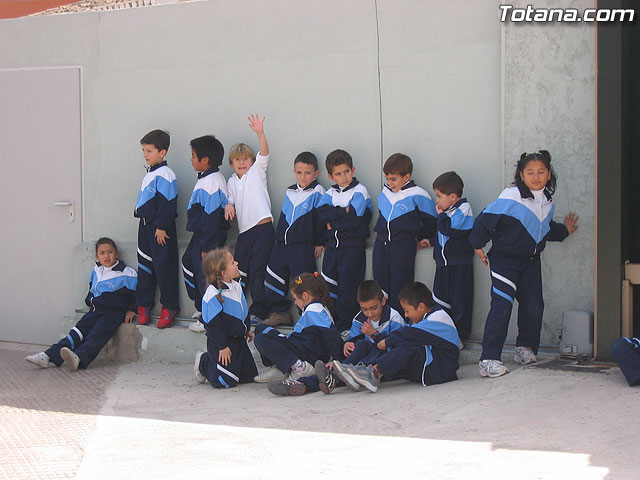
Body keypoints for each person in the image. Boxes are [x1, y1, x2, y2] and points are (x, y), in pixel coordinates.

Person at [470, 150, 579, 378]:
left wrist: (565, 231)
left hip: (531, 262)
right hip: (504, 261)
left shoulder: (547, 201)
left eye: (541, 172)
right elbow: (485, 219)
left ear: (549, 174)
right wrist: (477, 244)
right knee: (502, 307)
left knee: (534, 305)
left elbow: (543, 228)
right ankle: (488, 359)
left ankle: (524, 349)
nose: (536, 176)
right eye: (530, 172)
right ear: (521, 174)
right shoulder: (510, 196)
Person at [270, 279, 406, 396]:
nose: (369, 313)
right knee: (359, 346)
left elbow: (396, 350)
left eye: (374, 308)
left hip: (381, 364)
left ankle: (316, 380)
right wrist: (347, 345)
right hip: (362, 361)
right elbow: (353, 340)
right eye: (364, 309)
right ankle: (309, 383)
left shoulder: (394, 318)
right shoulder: (359, 319)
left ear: (383, 300)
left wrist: (374, 334)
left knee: (359, 353)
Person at [26, 238, 137, 371]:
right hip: (95, 310)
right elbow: (92, 288)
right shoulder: (96, 270)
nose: (106, 256)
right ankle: (48, 356)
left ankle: (79, 358)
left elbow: (137, 294)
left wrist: (132, 310)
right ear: (97, 256)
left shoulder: (127, 273)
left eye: (110, 252)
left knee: (97, 334)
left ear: (116, 253)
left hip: (112, 313)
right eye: (102, 253)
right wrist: (90, 302)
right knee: (76, 333)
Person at [333, 282, 460, 393]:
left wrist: (385, 340)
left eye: (407, 310)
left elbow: (408, 334)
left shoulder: (438, 317)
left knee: (407, 348)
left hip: (439, 371)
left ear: (421, 306)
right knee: (365, 345)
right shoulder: (429, 317)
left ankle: (372, 373)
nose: (406, 315)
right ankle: (338, 377)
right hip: (430, 366)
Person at [262, 152, 326, 326]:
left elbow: (321, 219)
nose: (303, 177)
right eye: (299, 172)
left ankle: (307, 317)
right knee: (273, 276)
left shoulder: (318, 192)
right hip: (281, 245)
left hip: (302, 247)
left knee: (303, 282)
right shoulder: (290, 190)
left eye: (307, 173)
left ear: (316, 173)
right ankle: (280, 312)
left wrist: (320, 241)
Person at [253, 273, 342, 396]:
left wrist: (336, 359)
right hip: (297, 346)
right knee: (261, 329)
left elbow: (332, 335)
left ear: (305, 296)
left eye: (295, 299)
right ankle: (281, 368)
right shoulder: (311, 309)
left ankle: (299, 368)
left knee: (262, 339)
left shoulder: (316, 311)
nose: (295, 303)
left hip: (305, 353)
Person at [225, 115, 274, 324]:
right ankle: (237, 307)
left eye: (245, 159)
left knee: (257, 271)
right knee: (239, 271)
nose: (242, 162)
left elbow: (265, 152)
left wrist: (260, 132)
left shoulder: (257, 172)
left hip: (263, 230)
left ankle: (259, 310)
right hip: (244, 233)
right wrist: (229, 205)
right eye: (237, 160)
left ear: (252, 161)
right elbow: (230, 200)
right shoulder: (231, 181)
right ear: (231, 163)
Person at [373, 153, 437, 313]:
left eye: (393, 179)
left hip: (403, 245)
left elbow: (431, 220)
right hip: (381, 243)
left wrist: (425, 238)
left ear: (407, 176)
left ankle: (399, 323)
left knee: (400, 284)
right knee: (379, 284)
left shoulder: (418, 194)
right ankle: (383, 322)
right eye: (387, 178)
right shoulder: (385, 192)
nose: (389, 182)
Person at [317, 149, 373, 333]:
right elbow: (321, 214)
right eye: (339, 174)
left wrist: (333, 221)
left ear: (353, 169)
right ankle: (331, 327)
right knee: (328, 287)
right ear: (331, 176)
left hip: (352, 248)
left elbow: (355, 220)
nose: (344, 177)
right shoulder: (329, 192)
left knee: (349, 290)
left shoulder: (360, 190)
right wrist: (343, 212)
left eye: (347, 171)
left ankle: (347, 328)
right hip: (332, 248)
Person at [182, 135, 229, 333]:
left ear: (205, 160)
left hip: (207, 238)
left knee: (206, 277)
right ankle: (202, 306)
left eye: (193, 156)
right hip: (200, 235)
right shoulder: (207, 179)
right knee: (187, 264)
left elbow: (211, 218)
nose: (191, 160)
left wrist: (207, 247)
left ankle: (208, 318)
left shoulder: (211, 181)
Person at [193, 248, 258, 388]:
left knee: (249, 376)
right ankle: (204, 362)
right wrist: (222, 346)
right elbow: (212, 326)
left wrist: (245, 329)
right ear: (223, 273)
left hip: (238, 340)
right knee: (224, 382)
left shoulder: (236, 285)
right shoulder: (212, 294)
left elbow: (241, 311)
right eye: (233, 262)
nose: (237, 263)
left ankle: (229, 367)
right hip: (222, 343)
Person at [134, 129, 180, 328]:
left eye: (150, 151)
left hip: (160, 229)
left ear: (163, 152)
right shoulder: (150, 173)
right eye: (144, 150)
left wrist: (162, 226)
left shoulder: (166, 174)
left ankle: (169, 307)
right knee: (145, 265)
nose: (146, 154)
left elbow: (168, 203)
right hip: (144, 226)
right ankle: (144, 305)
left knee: (164, 268)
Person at [428, 171, 474, 345]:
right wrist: (430, 241)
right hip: (443, 265)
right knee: (441, 299)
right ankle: (444, 333)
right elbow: (441, 234)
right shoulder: (446, 213)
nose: (437, 201)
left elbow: (449, 230)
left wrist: (440, 216)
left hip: (459, 264)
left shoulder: (463, 209)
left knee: (460, 300)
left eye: (439, 196)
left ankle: (459, 336)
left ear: (453, 197)